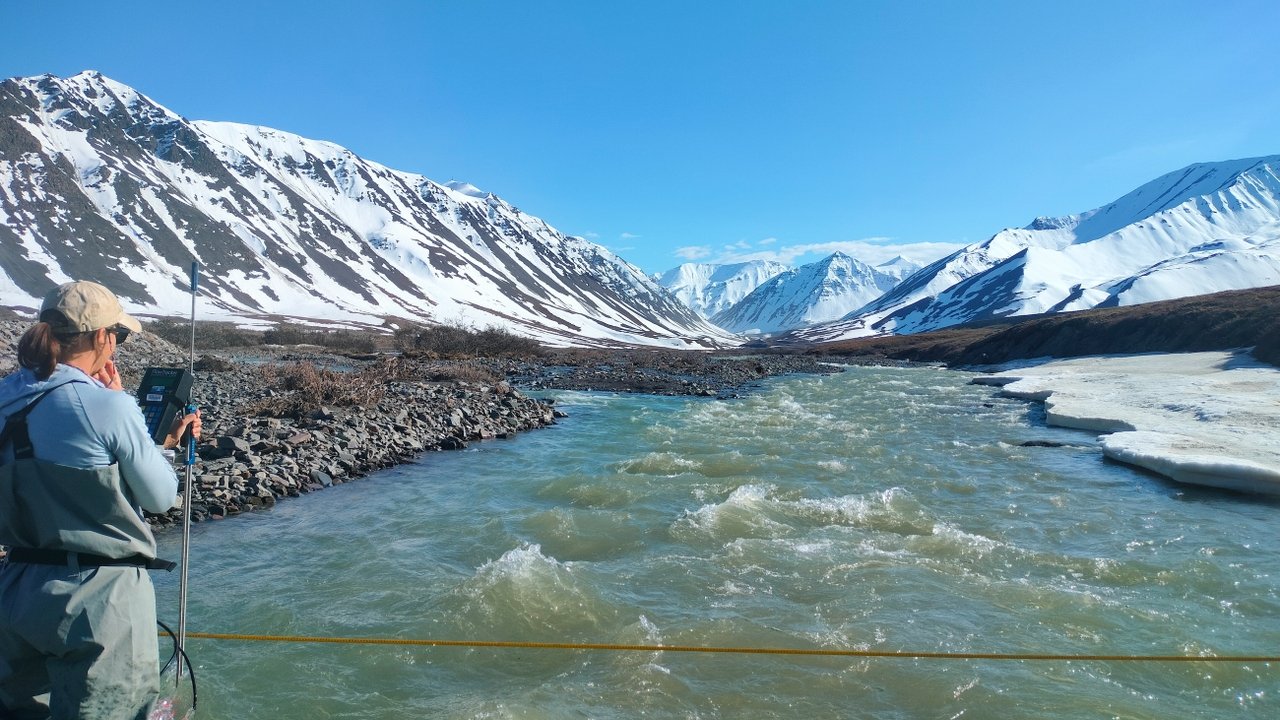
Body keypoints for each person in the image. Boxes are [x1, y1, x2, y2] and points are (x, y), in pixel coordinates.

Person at [0, 280, 201, 720]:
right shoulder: (108, 406)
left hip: (15, 590)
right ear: (99, 337)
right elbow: (162, 496)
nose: (116, 346)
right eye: (118, 336)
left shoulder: (4, 396)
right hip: (99, 599)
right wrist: (158, 443)